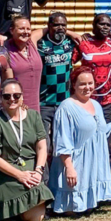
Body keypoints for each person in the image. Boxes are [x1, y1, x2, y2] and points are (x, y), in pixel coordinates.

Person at [0, 79, 53, 221]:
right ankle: (10, 210)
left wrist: (38, 171)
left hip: (32, 172)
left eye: (16, 95)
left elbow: (42, 146)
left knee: (36, 219)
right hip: (6, 173)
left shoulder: (34, 116)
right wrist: (20, 175)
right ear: (0, 98)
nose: (12, 99)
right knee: (34, 217)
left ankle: (16, 212)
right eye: (7, 96)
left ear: (22, 97)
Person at [49, 67, 111, 214]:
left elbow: (101, 133)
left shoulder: (96, 105)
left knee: (89, 209)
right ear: (74, 85)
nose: (87, 87)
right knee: (72, 211)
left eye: (90, 83)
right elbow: (62, 141)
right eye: (82, 84)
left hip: (93, 164)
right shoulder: (66, 107)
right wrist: (69, 168)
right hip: (76, 164)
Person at [34, 12, 76, 152]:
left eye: (63, 25)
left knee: (62, 144)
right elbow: (30, 38)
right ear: (48, 26)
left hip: (64, 103)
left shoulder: (70, 43)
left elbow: (83, 43)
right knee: (44, 145)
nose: (60, 28)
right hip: (44, 103)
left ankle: (59, 173)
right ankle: (43, 173)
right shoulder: (40, 44)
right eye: (56, 25)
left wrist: (70, 32)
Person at [73, 13, 111, 123]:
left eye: (108, 25)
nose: (105, 27)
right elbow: (68, 63)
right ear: (94, 25)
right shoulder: (84, 43)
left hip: (107, 100)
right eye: (101, 24)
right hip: (86, 99)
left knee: (105, 134)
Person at [7, 15, 44, 112]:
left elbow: (50, 27)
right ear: (12, 30)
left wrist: (73, 34)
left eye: (28, 29)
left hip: (36, 107)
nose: (26, 32)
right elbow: (8, 82)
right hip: (17, 106)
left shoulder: (32, 42)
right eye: (21, 28)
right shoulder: (6, 49)